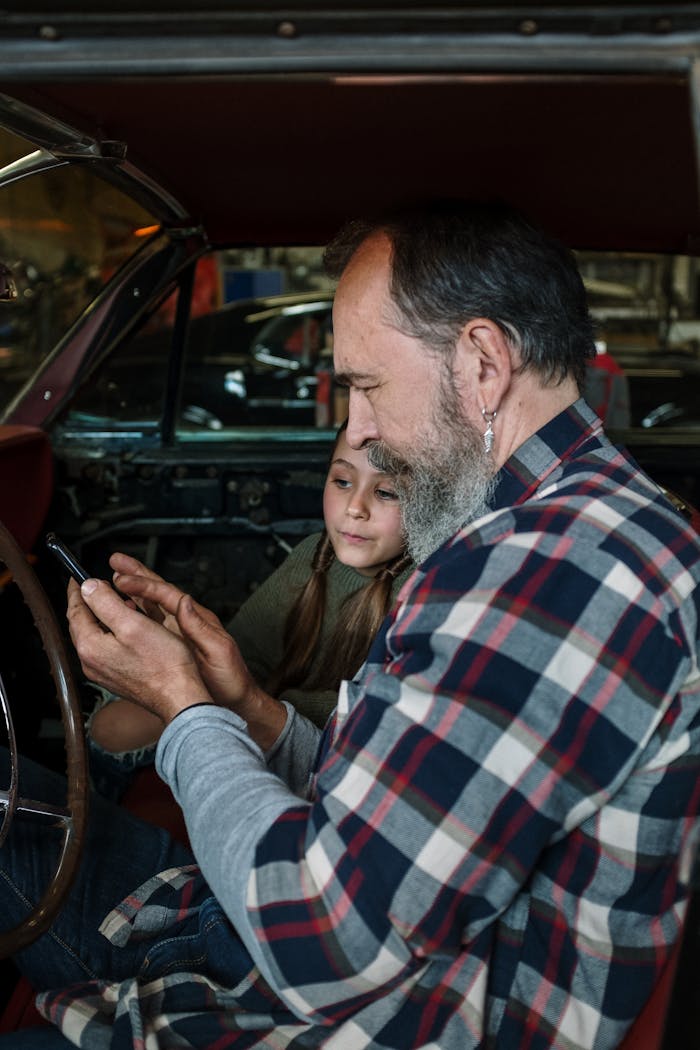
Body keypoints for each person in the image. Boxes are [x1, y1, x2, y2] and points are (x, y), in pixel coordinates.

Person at [1, 201, 700, 1050]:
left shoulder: (547, 573)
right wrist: (246, 706)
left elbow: (325, 943)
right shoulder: (563, 529)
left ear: (483, 361)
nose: (360, 428)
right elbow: (405, 796)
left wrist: (185, 713)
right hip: (312, 948)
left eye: (367, 386)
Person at [86, 421, 412, 800]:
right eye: (341, 481)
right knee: (111, 726)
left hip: (315, 761)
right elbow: (246, 653)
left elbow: (354, 722)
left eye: (386, 492)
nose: (355, 508)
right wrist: (183, 647)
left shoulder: (421, 594)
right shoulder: (314, 554)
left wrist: (244, 696)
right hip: (254, 711)